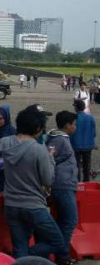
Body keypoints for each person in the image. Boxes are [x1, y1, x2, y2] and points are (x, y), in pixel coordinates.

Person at [0, 108, 70, 264]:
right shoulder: (39, 150)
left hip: (11, 204)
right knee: (58, 243)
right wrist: (50, 157)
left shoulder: (4, 143)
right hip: (34, 206)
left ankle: (20, 255)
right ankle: (24, 254)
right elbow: (48, 180)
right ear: (38, 128)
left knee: (20, 246)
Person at [46, 111, 79, 263]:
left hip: (64, 183)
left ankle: (60, 253)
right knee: (70, 221)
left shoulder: (59, 138)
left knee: (63, 221)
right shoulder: (59, 140)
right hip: (62, 185)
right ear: (67, 125)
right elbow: (49, 159)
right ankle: (62, 255)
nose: (75, 128)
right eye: (74, 124)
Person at [71, 99, 96, 182]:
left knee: (76, 165)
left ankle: (77, 183)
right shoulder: (91, 118)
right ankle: (86, 181)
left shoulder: (73, 119)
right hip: (88, 145)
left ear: (76, 108)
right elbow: (94, 133)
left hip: (75, 145)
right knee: (86, 165)